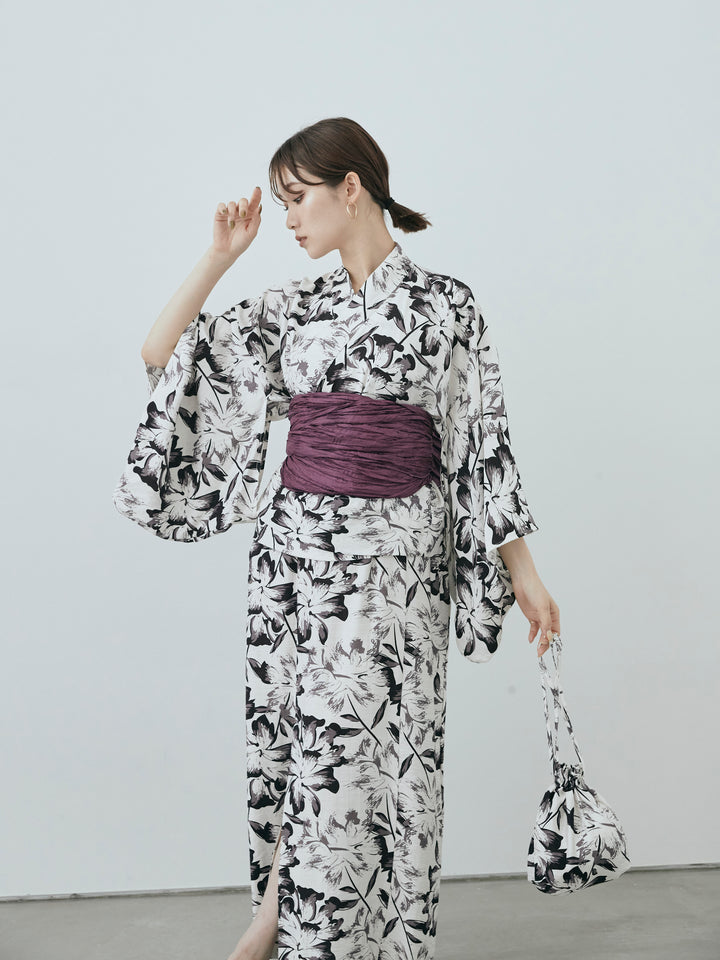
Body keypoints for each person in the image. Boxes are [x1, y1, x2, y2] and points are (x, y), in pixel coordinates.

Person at [112, 116, 560, 960]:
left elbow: (482, 446)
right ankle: (281, 920)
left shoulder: (447, 306)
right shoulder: (295, 308)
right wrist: (220, 256)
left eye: (298, 198)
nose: (287, 218)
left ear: (351, 187)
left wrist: (524, 574)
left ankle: (297, 929)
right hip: (295, 561)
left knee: (370, 751)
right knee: (300, 741)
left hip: (398, 563)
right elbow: (163, 354)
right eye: (281, 202)